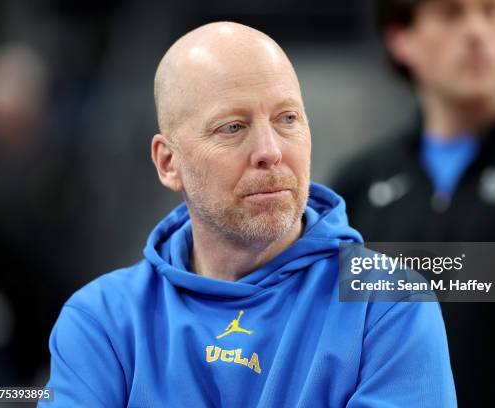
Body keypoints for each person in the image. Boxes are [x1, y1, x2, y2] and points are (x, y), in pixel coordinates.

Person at [40, 22, 456, 407]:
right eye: (232, 127)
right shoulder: (99, 321)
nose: (270, 152)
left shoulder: (387, 306)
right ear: (168, 162)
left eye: (287, 119)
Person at [333, 0, 495, 407]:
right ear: (401, 38)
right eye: (451, 14)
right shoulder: (358, 189)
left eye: (492, 12)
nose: (476, 32)